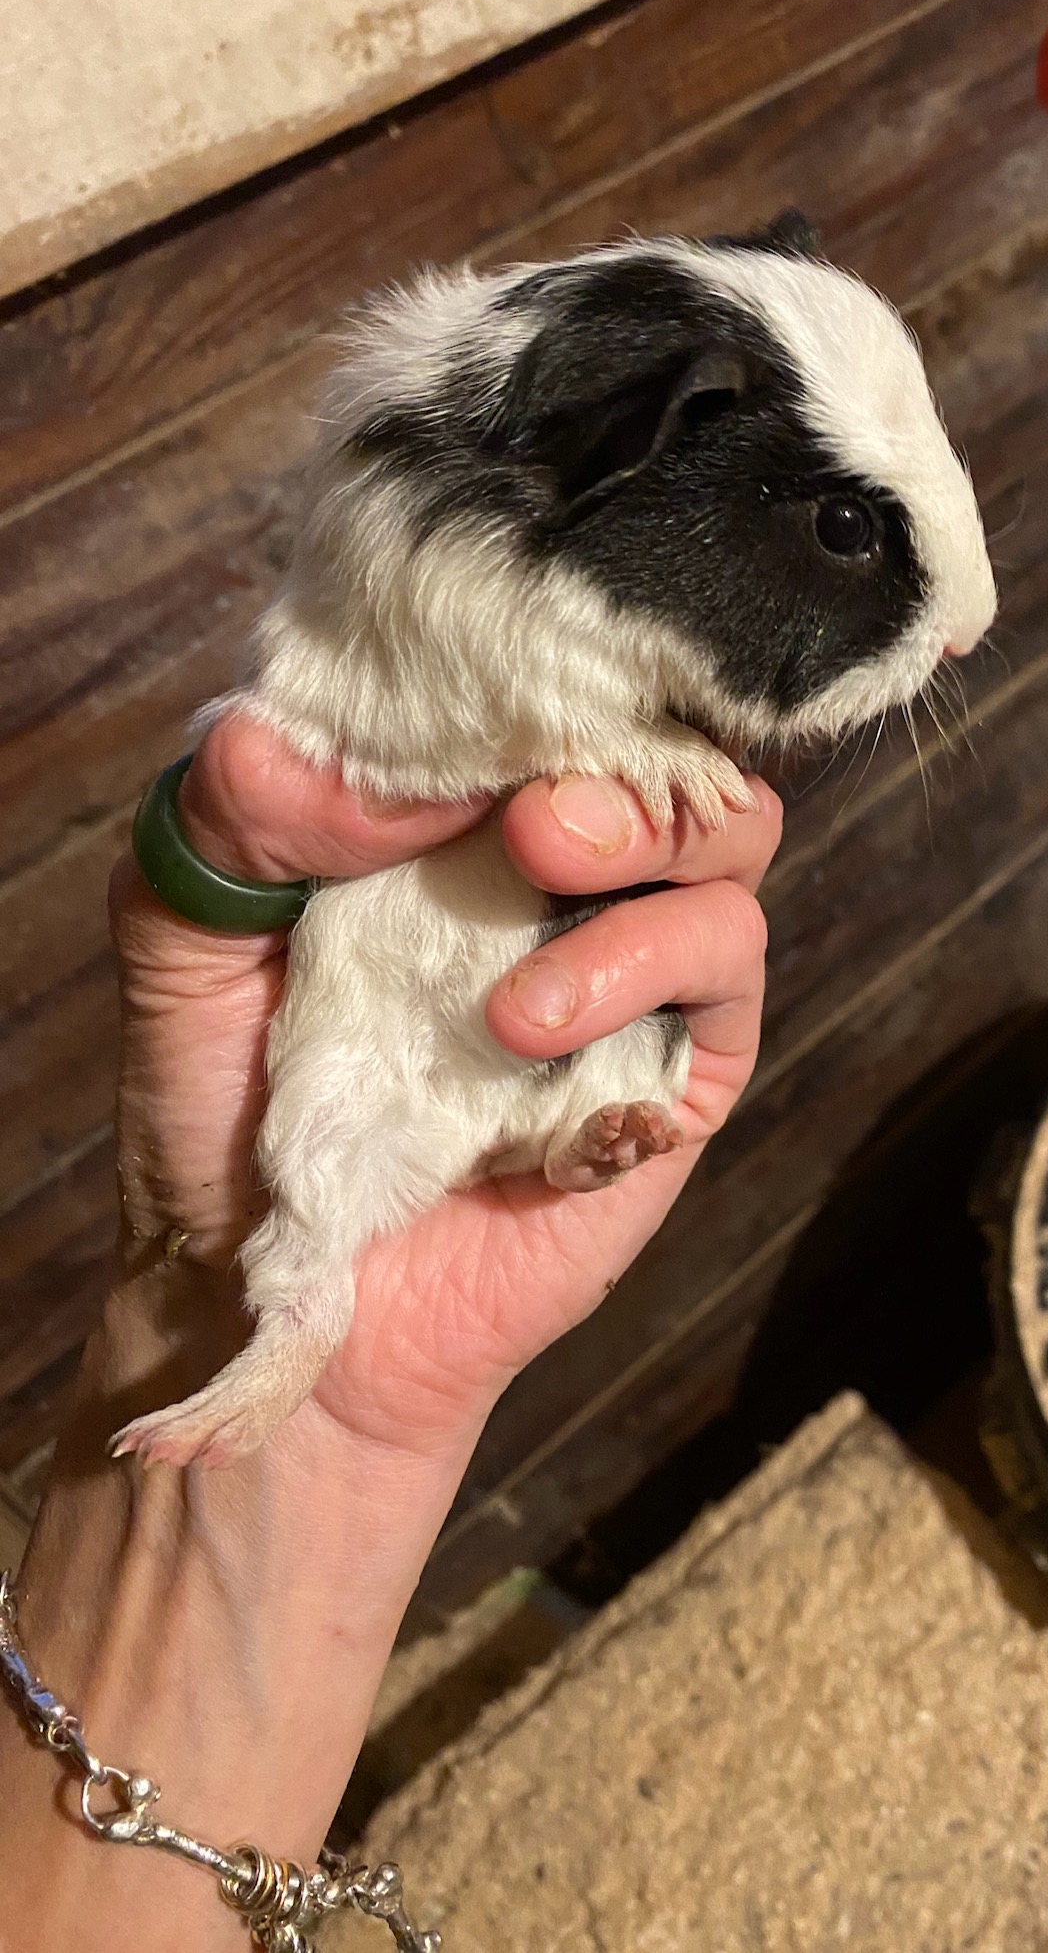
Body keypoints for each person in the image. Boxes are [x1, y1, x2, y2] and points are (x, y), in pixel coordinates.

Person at [0, 709, 782, 1950]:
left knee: (591, 1031)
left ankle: (564, 1137)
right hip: (372, 1033)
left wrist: (342, 1430)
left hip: (479, 1086)